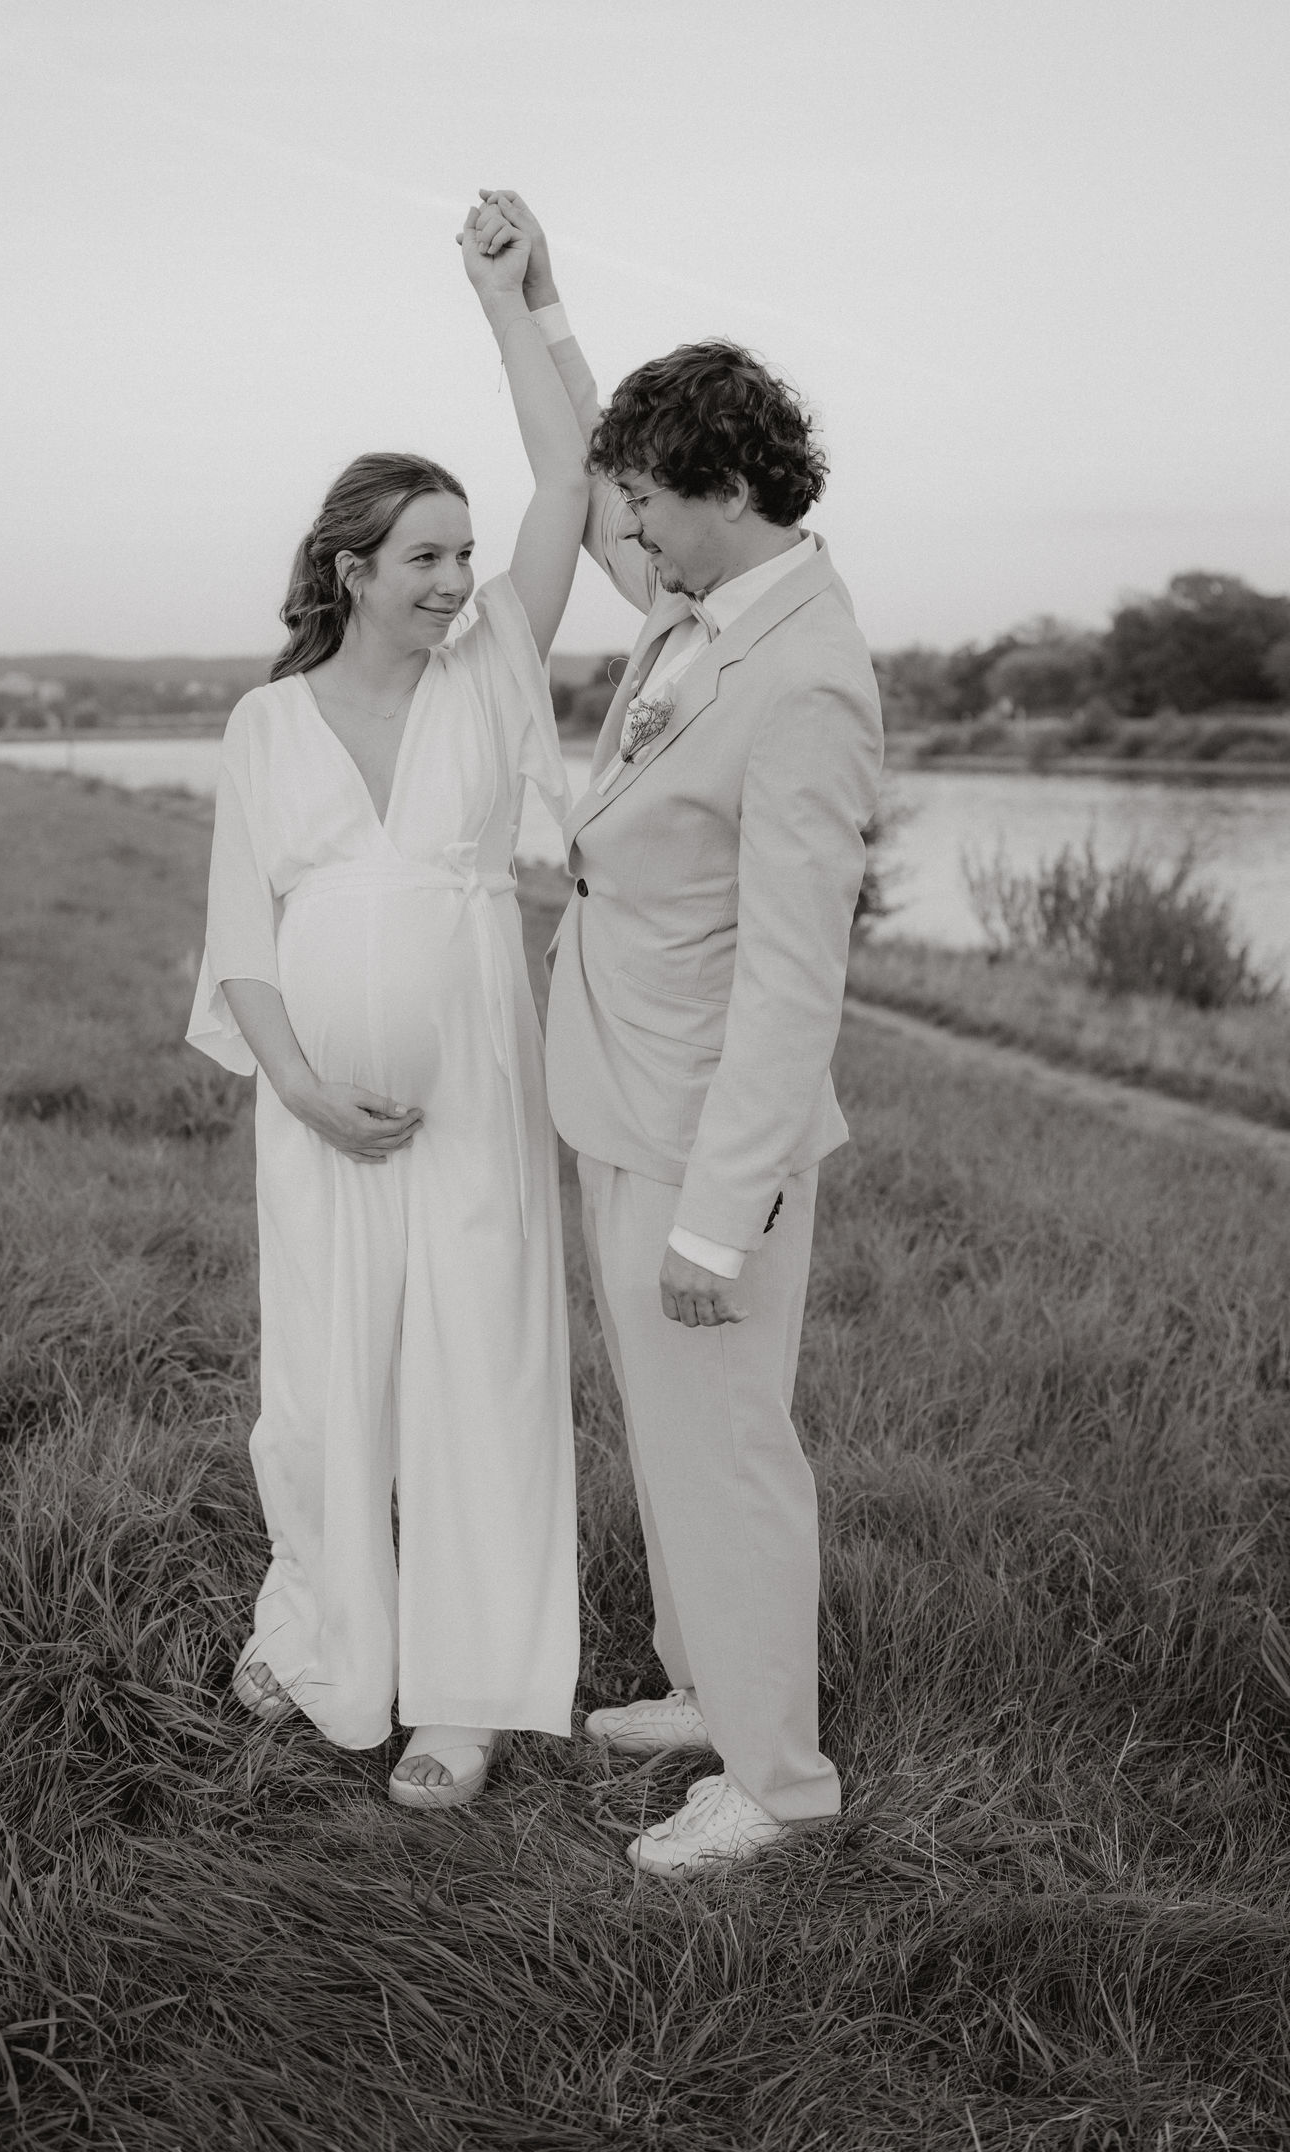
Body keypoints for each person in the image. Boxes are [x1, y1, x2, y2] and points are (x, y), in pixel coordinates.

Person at [470, 189, 884, 1874]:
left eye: (644, 501)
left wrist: (721, 1217)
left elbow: (794, 978)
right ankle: (707, 1688)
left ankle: (777, 1782)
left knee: (728, 1450)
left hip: (711, 1141)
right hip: (623, 1096)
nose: (620, 527)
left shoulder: (805, 680)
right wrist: (532, 305)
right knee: (669, 1435)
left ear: (718, 492)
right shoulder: (711, 597)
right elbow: (585, 457)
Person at [186, 207, 587, 1810]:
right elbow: (242, 935)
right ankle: (329, 1626)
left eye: (464, 554)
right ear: (351, 570)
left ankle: (469, 1693)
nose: (456, 579)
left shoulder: (490, 670)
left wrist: (517, 302)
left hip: (477, 1083)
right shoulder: (266, 724)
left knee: (480, 1364)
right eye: (425, 556)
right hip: (317, 1117)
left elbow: (569, 478)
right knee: (325, 1382)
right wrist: (298, 1088)